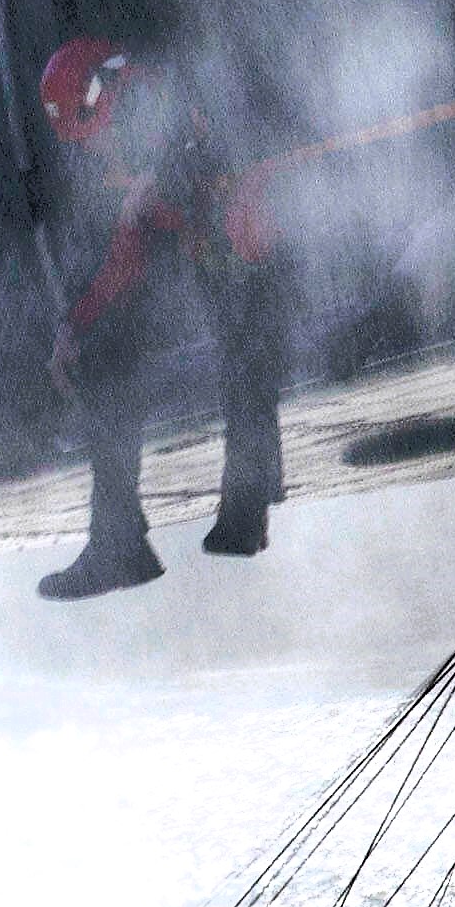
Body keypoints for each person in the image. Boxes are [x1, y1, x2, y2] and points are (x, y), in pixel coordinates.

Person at [39, 37, 289, 598]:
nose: (99, 152)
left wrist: (171, 187)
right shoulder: (144, 148)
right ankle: (119, 542)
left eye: (96, 136)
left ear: (106, 98)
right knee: (107, 357)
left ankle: (244, 510)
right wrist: (75, 326)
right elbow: (126, 260)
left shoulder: (190, 99)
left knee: (247, 346)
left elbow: (249, 165)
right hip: (223, 254)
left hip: (271, 250)